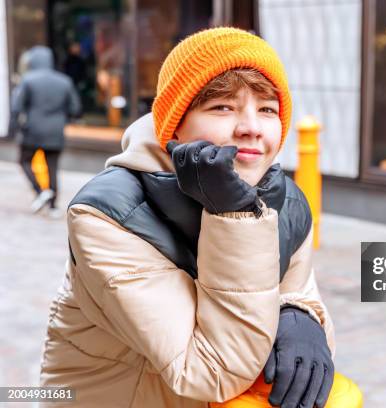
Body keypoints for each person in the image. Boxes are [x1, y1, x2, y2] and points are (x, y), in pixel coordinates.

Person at [40, 27, 335, 408]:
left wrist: (300, 314)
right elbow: (213, 371)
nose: (251, 127)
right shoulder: (105, 214)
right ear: (174, 125)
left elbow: (299, 299)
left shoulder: (286, 200)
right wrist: (233, 215)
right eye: (222, 107)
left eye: (267, 109)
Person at [10, 45, 81, 216]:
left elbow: (16, 106)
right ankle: (53, 205)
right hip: (56, 131)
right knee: (53, 167)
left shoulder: (28, 80)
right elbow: (75, 108)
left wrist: (16, 127)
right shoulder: (64, 81)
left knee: (24, 161)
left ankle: (40, 191)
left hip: (32, 130)